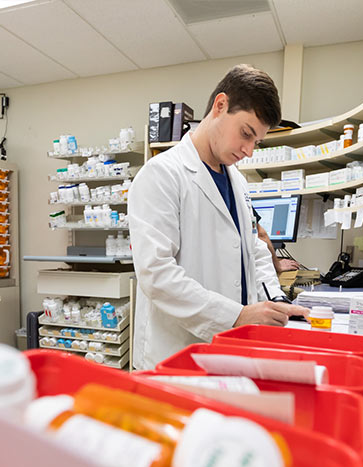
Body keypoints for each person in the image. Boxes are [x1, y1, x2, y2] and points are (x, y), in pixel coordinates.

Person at [129, 64, 310, 370]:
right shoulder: (161, 175)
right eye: (246, 134)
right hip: (177, 351)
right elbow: (156, 275)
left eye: (257, 142)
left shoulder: (237, 181)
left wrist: (276, 299)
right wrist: (235, 316)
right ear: (220, 105)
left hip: (229, 346)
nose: (249, 150)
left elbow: (252, 247)